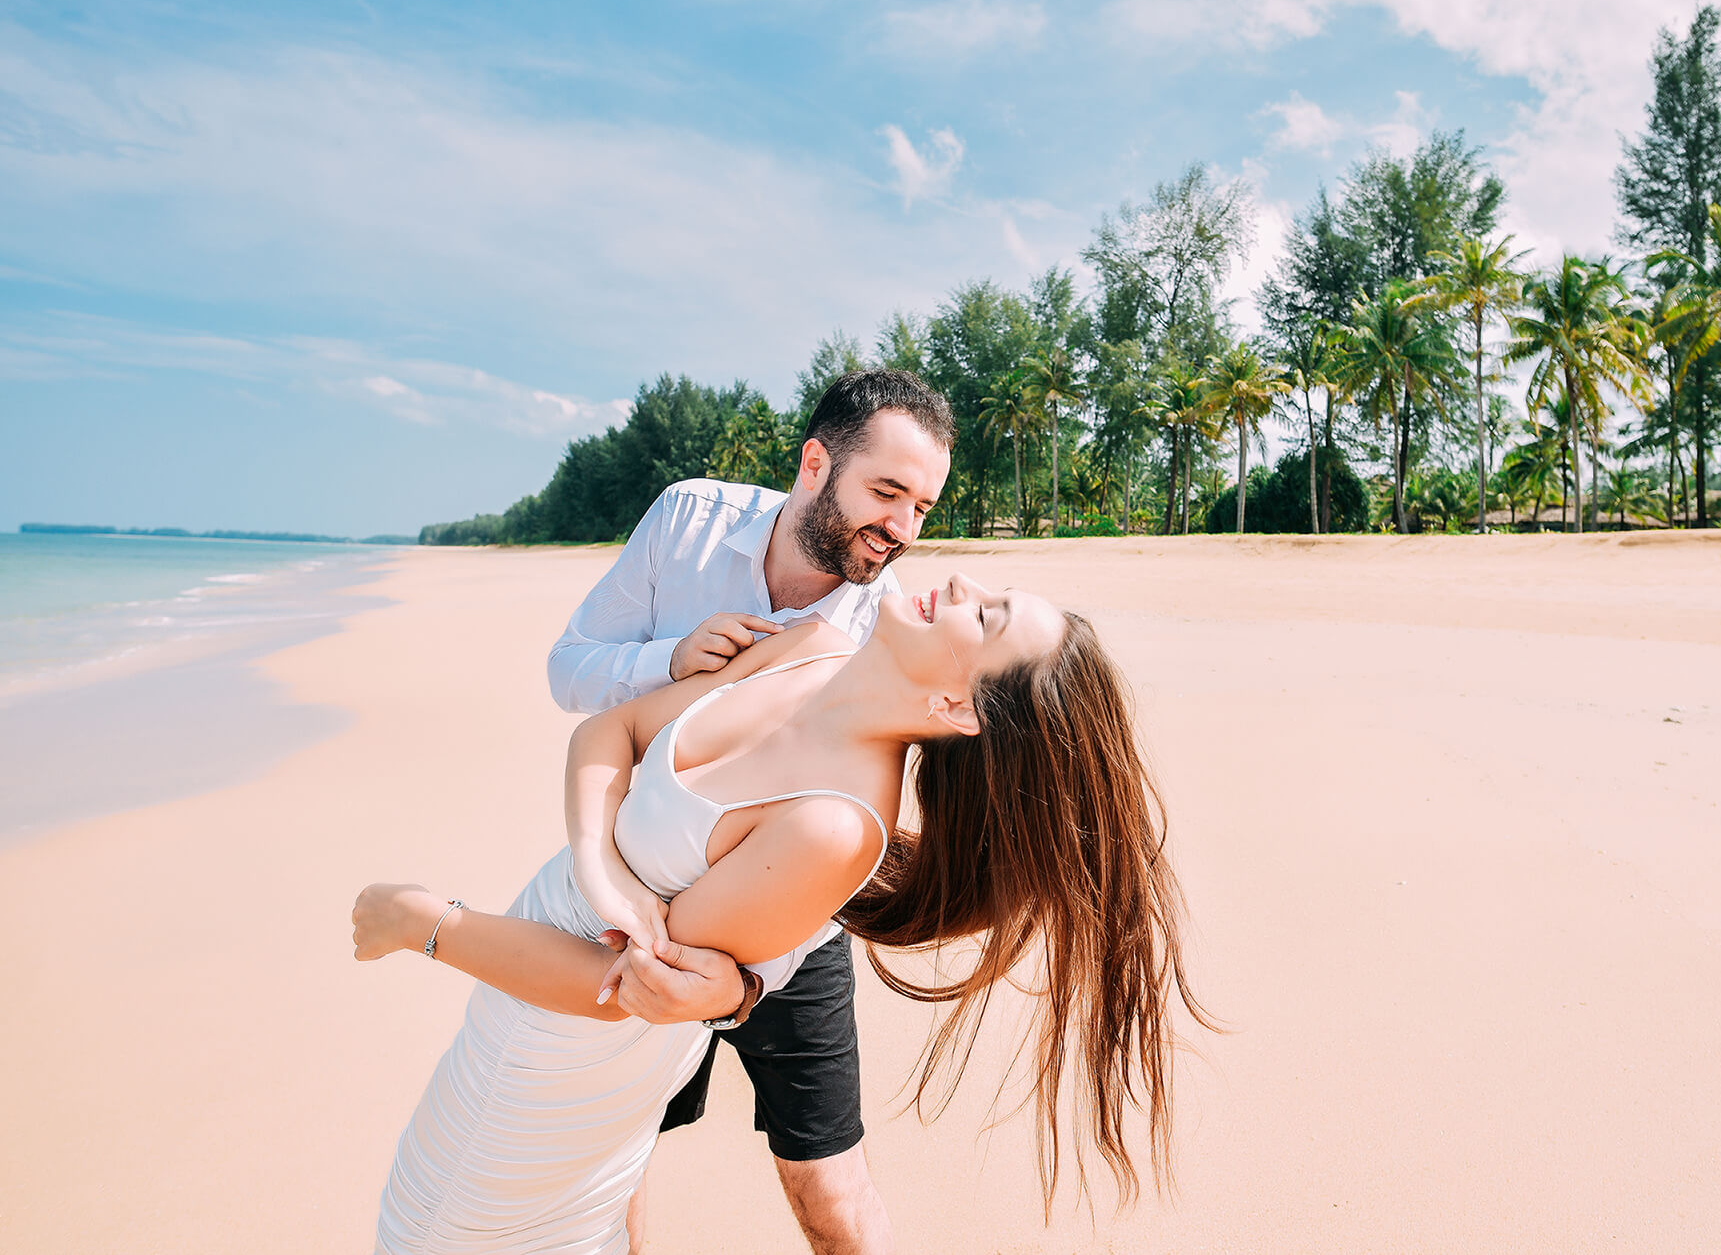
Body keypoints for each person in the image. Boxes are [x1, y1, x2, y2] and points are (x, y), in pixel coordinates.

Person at [354, 574, 1209, 1254]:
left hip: (560, 1059)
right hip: (511, 1003)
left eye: (984, 619)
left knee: (443, 1233)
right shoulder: (810, 645)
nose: (954, 585)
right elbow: (609, 732)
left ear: (957, 709)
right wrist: (598, 862)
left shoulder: (834, 827)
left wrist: (426, 923)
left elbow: (618, 990)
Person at [546, 368, 954, 1253]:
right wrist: (669, 662)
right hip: (634, 896)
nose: (903, 529)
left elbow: (851, 833)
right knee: (612, 1163)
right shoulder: (686, 520)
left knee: (831, 1188)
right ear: (816, 463)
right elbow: (569, 668)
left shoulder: (885, 628)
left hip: (790, 924)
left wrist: (748, 982)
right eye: (887, 493)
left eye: (923, 507)